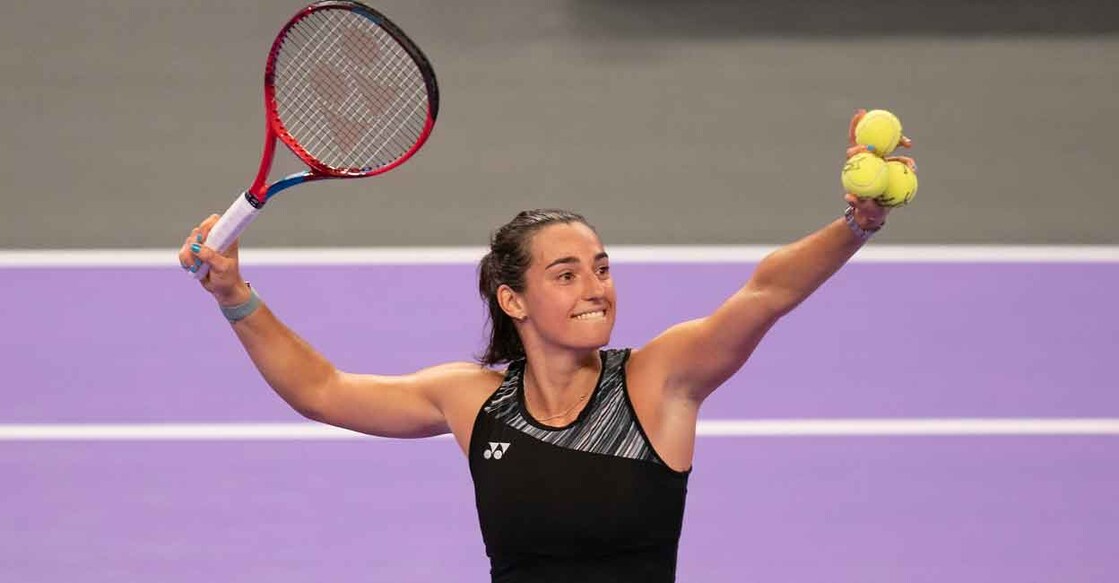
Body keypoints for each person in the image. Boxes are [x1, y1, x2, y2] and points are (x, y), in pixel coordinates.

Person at [178, 110, 913, 582]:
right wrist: (235, 296)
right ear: (514, 300)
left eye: (600, 267)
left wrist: (854, 225)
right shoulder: (473, 399)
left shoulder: (660, 382)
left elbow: (766, 293)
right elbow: (324, 391)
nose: (594, 286)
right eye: (565, 274)